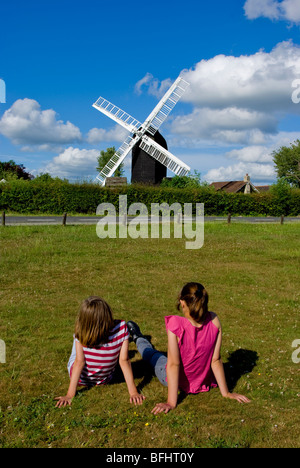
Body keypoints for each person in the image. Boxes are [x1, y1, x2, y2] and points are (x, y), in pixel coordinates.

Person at [127, 282, 250, 415]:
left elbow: (174, 364)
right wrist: (226, 393)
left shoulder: (176, 324)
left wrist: (171, 402)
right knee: (160, 357)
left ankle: (138, 337)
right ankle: (138, 338)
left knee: (152, 355)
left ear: (182, 303)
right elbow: (216, 360)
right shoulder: (214, 320)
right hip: (202, 380)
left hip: (173, 378)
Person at [55, 296, 145, 408]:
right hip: (104, 379)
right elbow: (124, 360)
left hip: (82, 379)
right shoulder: (122, 327)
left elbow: (79, 362)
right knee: (83, 342)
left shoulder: (80, 330)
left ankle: (79, 339)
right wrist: (133, 392)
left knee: (78, 340)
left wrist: (69, 395)